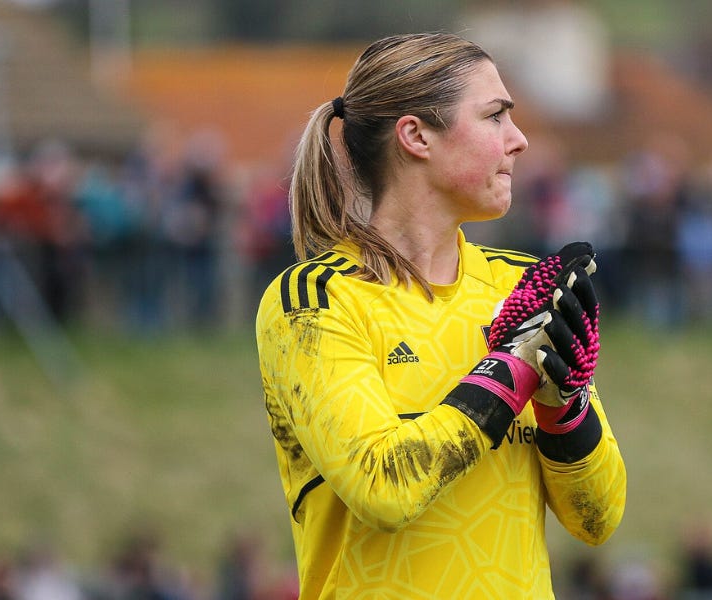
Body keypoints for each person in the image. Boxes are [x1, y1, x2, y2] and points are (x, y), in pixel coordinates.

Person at [255, 32, 626, 598]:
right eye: (495, 116)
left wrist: (565, 406)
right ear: (416, 136)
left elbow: (597, 520)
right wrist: (510, 372)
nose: (520, 140)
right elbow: (385, 488)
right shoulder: (314, 301)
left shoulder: (520, 287)